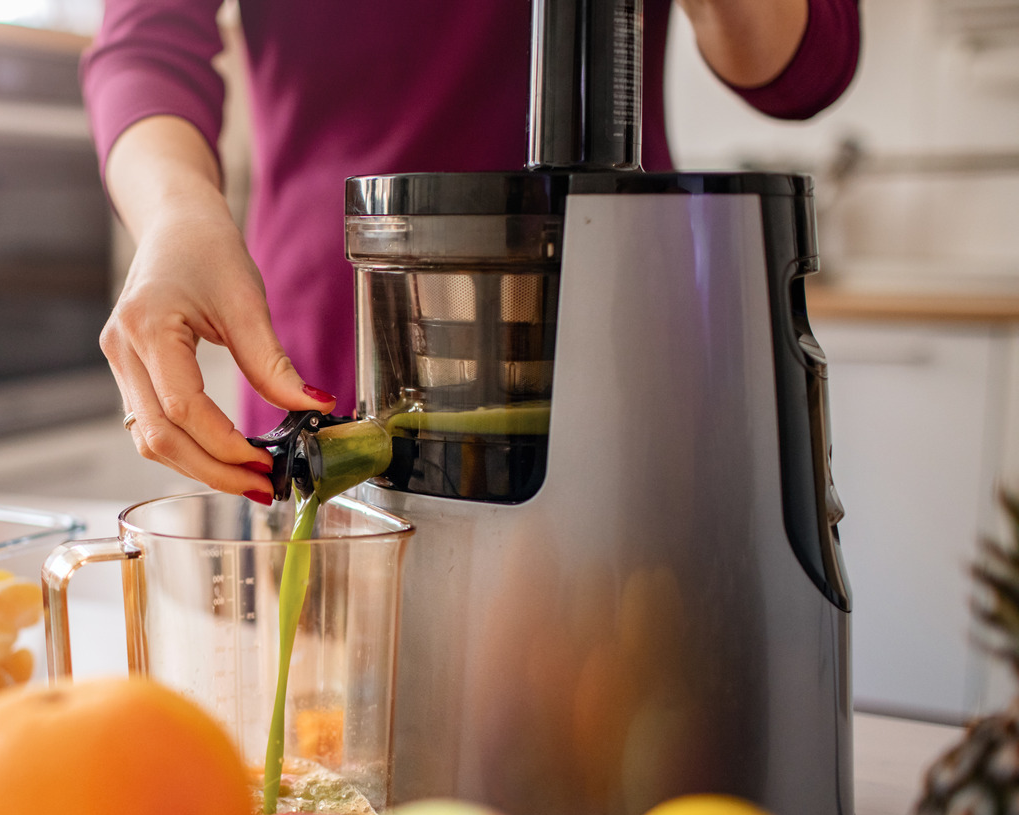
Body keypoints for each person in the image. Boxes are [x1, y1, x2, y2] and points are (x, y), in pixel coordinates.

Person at [81, 0, 860, 504]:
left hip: (617, 354)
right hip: (338, 357)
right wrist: (175, 213)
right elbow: (145, 45)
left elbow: (803, 68)